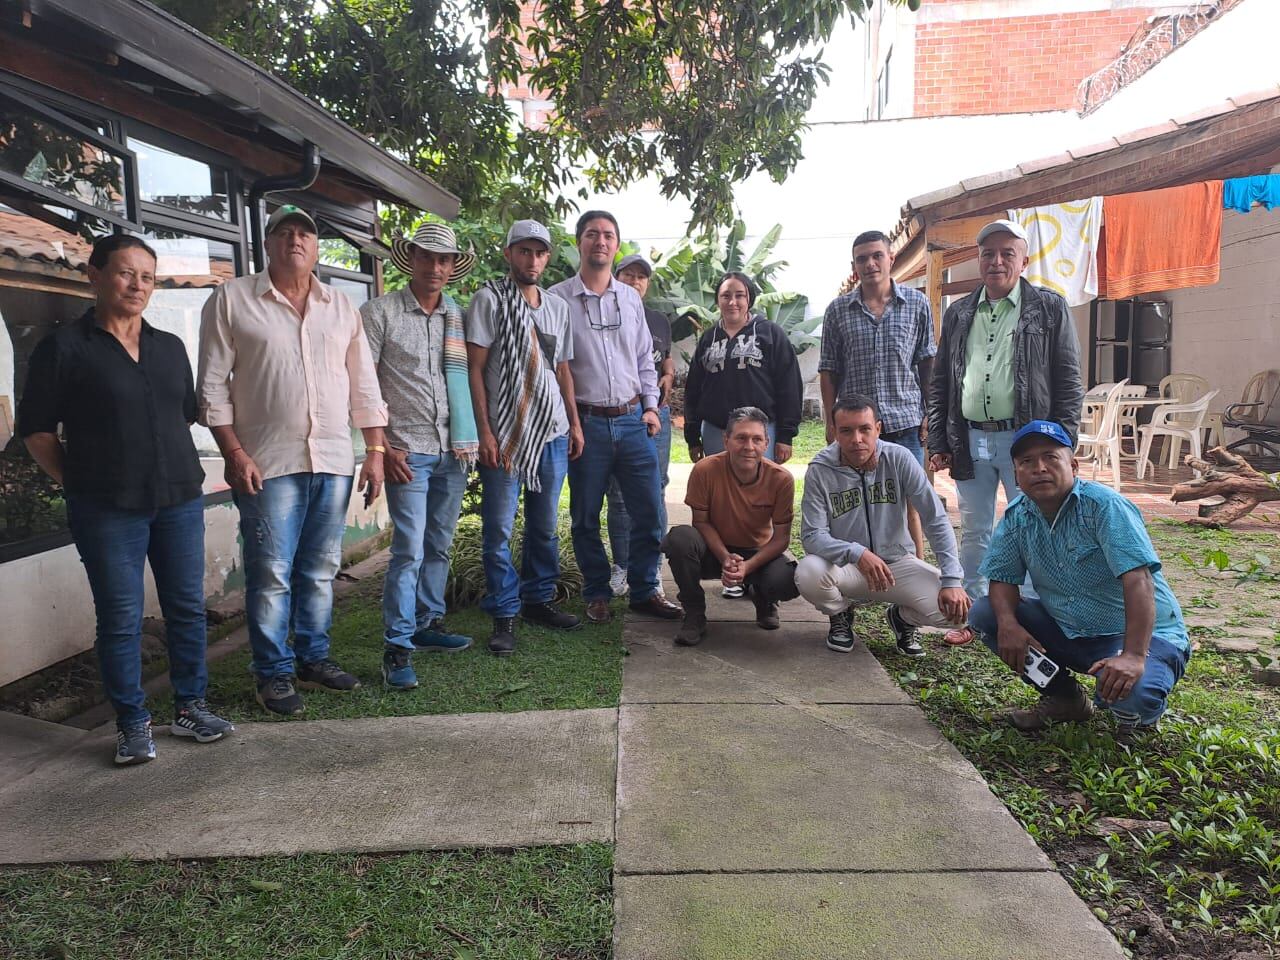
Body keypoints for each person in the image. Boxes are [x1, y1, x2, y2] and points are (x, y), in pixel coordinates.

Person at [20, 234, 233, 764]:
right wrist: (79, 480)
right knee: (121, 618)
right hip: (106, 507)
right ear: (95, 275)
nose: (137, 285)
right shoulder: (63, 348)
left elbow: (180, 413)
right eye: (125, 272)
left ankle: (190, 706)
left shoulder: (168, 347)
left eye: (147, 276)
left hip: (178, 498)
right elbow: (37, 431)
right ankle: (133, 722)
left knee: (186, 609)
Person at [199, 204, 388, 716]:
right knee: (272, 572)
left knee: (321, 567)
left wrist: (373, 451)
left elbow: (363, 384)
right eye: (285, 232)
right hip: (267, 462)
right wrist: (234, 453)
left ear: (316, 245)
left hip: (331, 457)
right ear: (269, 243)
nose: (296, 240)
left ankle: (314, 657)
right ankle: (273, 673)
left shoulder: (340, 306)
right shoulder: (232, 300)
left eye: (305, 232)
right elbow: (212, 386)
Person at [967, 421, 1190, 738]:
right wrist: (1008, 623)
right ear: (1016, 473)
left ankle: (1137, 721)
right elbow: (1002, 578)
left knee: (1136, 692)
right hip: (1070, 631)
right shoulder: (1018, 515)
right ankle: (1063, 697)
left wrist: (1133, 656)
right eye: (1026, 462)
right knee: (986, 614)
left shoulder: (1105, 507)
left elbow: (1138, 581)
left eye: (1050, 457)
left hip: (1136, 635)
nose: (1039, 468)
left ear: (1072, 465)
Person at [927, 219, 1084, 645]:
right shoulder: (959, 312)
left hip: (1027, 442)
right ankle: (975, 616)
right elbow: (941, 381)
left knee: (1034, 526)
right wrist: (939, 439)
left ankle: (1032, 617)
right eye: (988, 254)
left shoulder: (1049, 308)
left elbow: (1069, 380)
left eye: (1006, 253)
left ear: (1023, 260)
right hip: (971, 438)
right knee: (977, 527)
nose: (996, 261)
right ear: (978, 260)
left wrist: (1062, 444)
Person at [361, 222, 479, 689]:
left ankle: (429, 624)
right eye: (427, 256)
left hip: (454, 448)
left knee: (439, 544)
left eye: (444, 259)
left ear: (453, 267)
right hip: (406, 450)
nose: (435, 266)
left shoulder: (459, 316)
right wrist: (381, 446)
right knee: (407, 549)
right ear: (410, 258)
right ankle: (397, 646)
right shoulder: (380, 313)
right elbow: (363, 384)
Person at [548, 211, 681, 625]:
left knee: (648, 511)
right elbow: (556, 366)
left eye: (608, 235)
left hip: (631, 420)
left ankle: (644, 590)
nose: (600, 241)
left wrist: (650, 408)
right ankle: (597, 592)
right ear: (580, 242)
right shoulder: (557, 299)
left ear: (616, 244)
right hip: (585, 423)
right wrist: (570, 422)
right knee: (586, 514)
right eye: (592, 234)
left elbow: (645, 358)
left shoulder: (630, 298)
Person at [466, 220, 584, 655]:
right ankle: (504, 612)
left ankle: (538, 600)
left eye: (539, 252)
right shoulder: (489, 300)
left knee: (544, 527)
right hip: (505, 434)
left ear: (547, 258)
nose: (532, 259)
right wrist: (485, 432)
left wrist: (573, 422)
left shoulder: (556, 308)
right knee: (497, 529)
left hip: (551, 432)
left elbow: (563, 369)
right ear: (508, 253)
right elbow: (474, 369)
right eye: (523, 251)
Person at [796, 396, 970, 656]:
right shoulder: (821, 468)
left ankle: (903, 619)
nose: (856, 439)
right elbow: (812, 535)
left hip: (896, 564)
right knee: (808, 573)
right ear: (833, 432)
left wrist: (952, 579)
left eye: (864, 429)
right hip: (846, 568)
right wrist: (856, 552)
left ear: (878, 428)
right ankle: (840, 614)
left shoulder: (898, 458)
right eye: (846, 430)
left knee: (959, 613)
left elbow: (935, 518)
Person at [819, 229, 935, 557]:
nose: (870, 264)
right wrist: (831, 420)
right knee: (855, 500)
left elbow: (927, 361)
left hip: (906, 421)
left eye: (876, 256)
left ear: (890, 258)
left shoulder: (917, 304)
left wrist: (931, 412)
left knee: (912, 501)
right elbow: (829, 369)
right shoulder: (838, 310)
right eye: (862, 259)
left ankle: (917, 571)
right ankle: (853, 576)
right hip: (856, 428)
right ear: (854, 265)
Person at [663, 406, 799, 645]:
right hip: (713, 551)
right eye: (741, 438)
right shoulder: (704, 470)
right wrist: (726, 557)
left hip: (758, 554)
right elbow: (701, 522)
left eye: (757, 439)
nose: (749, 446)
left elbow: (781, 539)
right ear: (726, 440)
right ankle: (694, 612)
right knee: (679, 539)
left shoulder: (781, 479)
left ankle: (763, 597)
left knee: (788, 580)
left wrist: (747, 567)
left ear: (767, 443)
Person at [605, 253, 675, 597]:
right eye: (628, 275)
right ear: (616, 277)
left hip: (657, 415)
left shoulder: (659, 320)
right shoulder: (607, 314)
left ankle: (652, 567)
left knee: (655, 490)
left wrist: (670, 376)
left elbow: (665, 359)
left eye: (641, 277)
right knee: (618, 494)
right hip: (623, 414)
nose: (634, 281)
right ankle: (622, 565)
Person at [684, 271, 803, 465]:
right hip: (716, 431)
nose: (733, 302)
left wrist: (785, 436)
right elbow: (693, 390)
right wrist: (692, 438)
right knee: (720, 490)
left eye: (739, 295)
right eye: (726, 296)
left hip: (760, 432)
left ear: (750, 298)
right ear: (718, 300)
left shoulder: (771, 333)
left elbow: (789, 385)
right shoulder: (708, 338)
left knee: (758, 490)